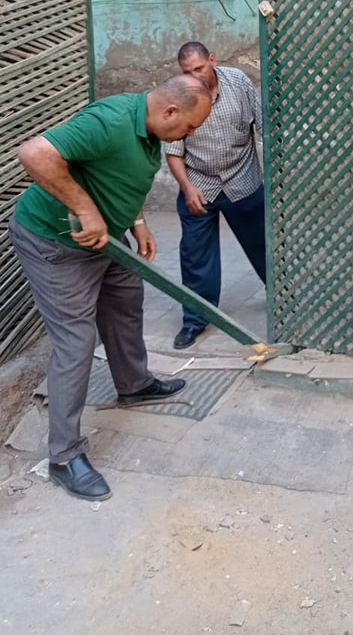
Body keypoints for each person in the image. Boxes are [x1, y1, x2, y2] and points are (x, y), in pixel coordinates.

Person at [8, 74, 213, 502]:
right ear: (170, 111)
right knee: (76, 342)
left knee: (126, 301)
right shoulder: (110, 121)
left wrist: (136, 223)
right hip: (55, 243)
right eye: (191, 126)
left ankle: (134, 384)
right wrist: (86, 210)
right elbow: (35, 153)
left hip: (105, 241)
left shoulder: (149, 129)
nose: (191, 135)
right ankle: (64, 456)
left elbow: (119, 177)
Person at [164, 42, 266, 350]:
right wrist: (187, 188)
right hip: (198, 185)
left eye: (199, 68)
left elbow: (263, 127)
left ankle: (287, 304)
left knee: (266, 248)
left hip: (243, 181)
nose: (194, 76)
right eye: (187, 71)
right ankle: (194, 320)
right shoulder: (178, 94)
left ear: (212, 60)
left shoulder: (238, 82)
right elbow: (173, 150)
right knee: (195, 257)